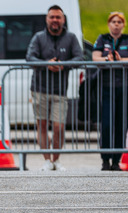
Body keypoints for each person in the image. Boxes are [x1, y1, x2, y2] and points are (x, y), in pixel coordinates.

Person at [26, 5, 83, 172]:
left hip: (60, 91)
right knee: (42, 125)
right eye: (52, 17)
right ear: (47, 19)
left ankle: (56, 159)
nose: (55, 20)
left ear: (63, 19)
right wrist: (46, 65)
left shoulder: (71, 38)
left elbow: (79, 57)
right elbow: (30, 57)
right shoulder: (38, 37)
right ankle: (46, 160)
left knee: (58, 127)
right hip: (39, 89)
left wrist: (63, 66)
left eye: (58, 17)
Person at [92, 12, 128, 171]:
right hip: (107, 87)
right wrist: (107, 60)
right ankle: (105, 159)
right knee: (106, 124)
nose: (116, 24)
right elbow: (95, 57)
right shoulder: (102, 39)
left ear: (123, 24)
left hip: (125, 88)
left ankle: (116, 161)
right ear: (109, 24)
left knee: (122, 125)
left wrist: (121, 61)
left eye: (119, 22)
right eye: (113, 21)